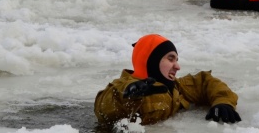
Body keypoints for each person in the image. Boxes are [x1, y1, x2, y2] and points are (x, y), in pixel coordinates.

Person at [94, 34, 241, 127]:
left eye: (176, 60)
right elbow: (104, 107)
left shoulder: (175, 86)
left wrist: (223, 102)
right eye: (170, 59)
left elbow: (205, 82)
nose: (177, 66)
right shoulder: (124, 88)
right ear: (151, 61)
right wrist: (128, 93)